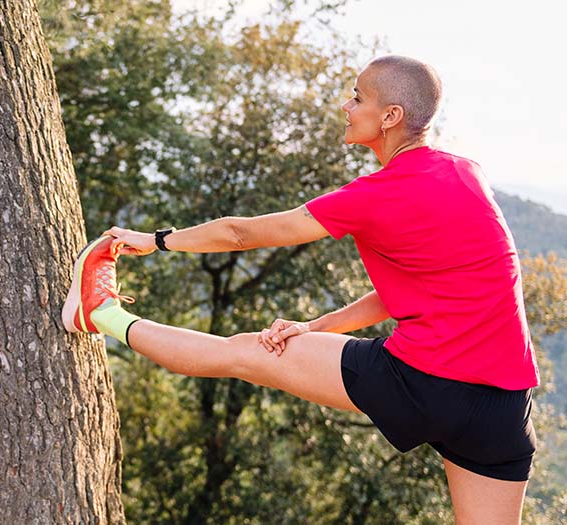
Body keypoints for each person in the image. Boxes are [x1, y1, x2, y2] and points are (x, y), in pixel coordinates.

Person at [63, 55, 537, 524]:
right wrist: (313, 327)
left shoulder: (372, 196)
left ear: (390, 117)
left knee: (242, 354)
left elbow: (240, 234)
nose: (346, 106)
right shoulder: (466, 174)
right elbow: (417, 291)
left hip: (419, 380)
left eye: (358, 97)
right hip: (503, 410)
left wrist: (156, 240)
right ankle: (100, 314)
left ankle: (100, 313)